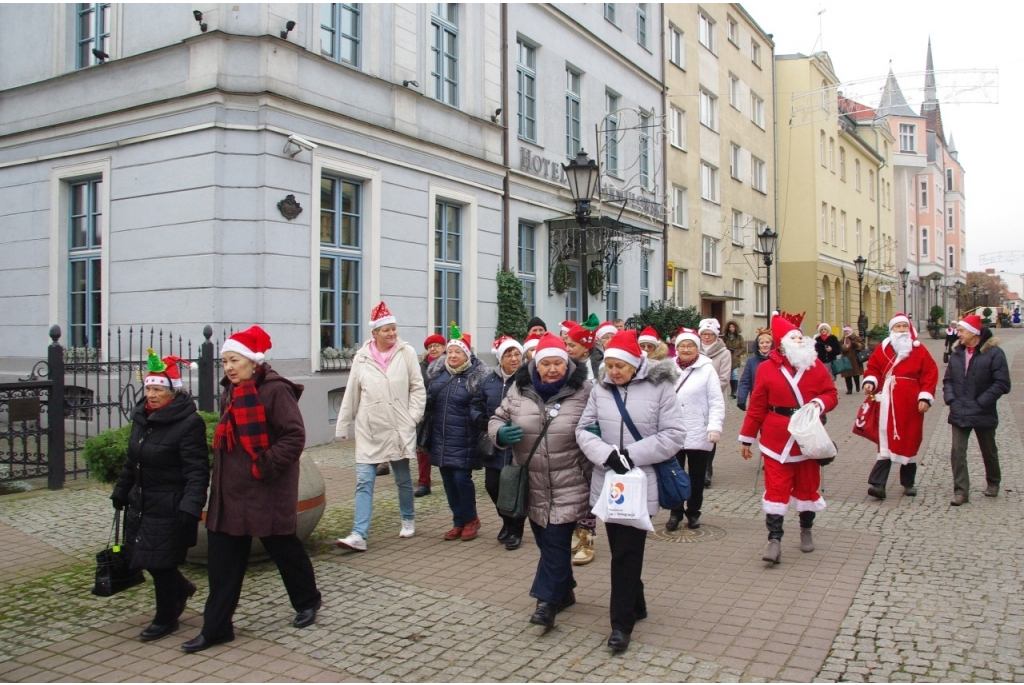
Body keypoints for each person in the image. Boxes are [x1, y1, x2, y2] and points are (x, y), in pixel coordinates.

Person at [183, 326, 321, 653]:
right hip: (231, 493)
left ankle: (307, 600)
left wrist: (264, 465)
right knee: (223, 563)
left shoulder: (275, 391)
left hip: (266, 489)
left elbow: (293, 437)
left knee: (284, 549)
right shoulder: (230, 391)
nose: (229, 367)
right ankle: (217, 628)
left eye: (235, 360)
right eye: (225, 361)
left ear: (252, 361)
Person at [575, 330, 686, 653]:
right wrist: (607, 455)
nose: (613, 372)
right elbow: (583, 429)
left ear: (636, 363)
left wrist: (632, 455)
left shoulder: (660, 387)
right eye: (608, 365)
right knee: (622, 549)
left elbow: (674, 434)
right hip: (609, 480)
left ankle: (620, 625)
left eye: (619, 366)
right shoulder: (600, 390)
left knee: (626, 552)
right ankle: (636, 604)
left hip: (642, 481)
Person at [489, 334, 592, 629]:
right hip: (530, 483)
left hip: (570, 480)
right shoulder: (519, 390)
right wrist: (499, 434)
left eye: (558, 363)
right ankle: (567, 589)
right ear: (535, 365)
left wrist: (596, 430)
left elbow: (601, 420)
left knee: (557, 542)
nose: (551, 369)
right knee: (547, 543)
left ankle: (546, 602)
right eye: (545, 363)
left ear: (568, 364)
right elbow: (496, 418)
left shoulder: (584, 391)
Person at [111, 351, 208, 642]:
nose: (151, 395)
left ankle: (166, 617)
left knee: (160, 561)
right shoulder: (143, 418)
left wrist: (192, 505)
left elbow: (197, 470)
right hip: (142, 501)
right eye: (149, 388)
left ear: (173, 392)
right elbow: (133, 460)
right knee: (145, 557)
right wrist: (121, 491)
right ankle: (180, 590)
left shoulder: (189, 423)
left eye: (158, 390)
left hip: (170, 502)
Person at [739, 312, 838, 565]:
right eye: (793, 337)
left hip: (807, 435)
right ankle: (774, 540)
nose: (799, 340)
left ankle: (806, 529)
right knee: (776, 489)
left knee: (807, 486)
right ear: (782, 343)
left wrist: (818, 403)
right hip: (776, 437)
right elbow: (757, 405)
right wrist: (747, 437)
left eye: (800, 336)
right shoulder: (766, 369)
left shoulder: (814, 366)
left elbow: (831, 393)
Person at [334, 302, 425, 551]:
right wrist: (343, 425)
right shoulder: (361, 358)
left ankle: (408, 518)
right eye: (386, 330)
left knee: (403, 479)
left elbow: (417, 387)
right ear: (374, 333)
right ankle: (359, 534)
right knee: (364, 480)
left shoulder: (406, 352)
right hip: (370, 428)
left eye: (394, 329)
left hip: (398, 426)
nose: (392, 334)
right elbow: (352, 392)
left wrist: (413, 417)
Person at [861, 314, 939, 500]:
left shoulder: (919, 350)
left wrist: (925, 397)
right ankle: (878, 484)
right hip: (887, 402)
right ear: (892, 330)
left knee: (909, 438)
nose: (902, 330)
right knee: (885, 440)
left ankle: (908, 482)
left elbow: (930, 373)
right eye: (898, 327)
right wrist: (870, 381)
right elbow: (873, 368)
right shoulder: (883, 348)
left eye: (905, 326)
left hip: (910, 403)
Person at [425, 324, 489, 540]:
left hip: (465, 437)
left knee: (462, 479)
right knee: (447, 480)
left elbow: (481, 406)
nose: (452, 355)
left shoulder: (476, 378)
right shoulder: (438, 376)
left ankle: (471, 519)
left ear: (467, 354)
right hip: (441, 437)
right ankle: (457, 521)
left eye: (458, 352)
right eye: (450, 351)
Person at [944, 314, 1011, 506]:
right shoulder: (957, 353)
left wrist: (982, 402)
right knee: (957, 451)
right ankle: (961, 491)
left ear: (974, 333)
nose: (958, 334)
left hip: (983, 410)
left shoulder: (994, 353)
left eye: (962, 330)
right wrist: (951, 399)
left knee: (988, 449)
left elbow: (1002, 383)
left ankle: (993, 482)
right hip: (959, 409)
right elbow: (948, 379)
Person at [666, 328, 724, 531]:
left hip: (699, 430)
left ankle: (693, 513)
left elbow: (716, 401)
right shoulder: (668, 368)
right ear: (677, 348)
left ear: (697, 348)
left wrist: (714, 426)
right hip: (673, 430)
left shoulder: (707, 369)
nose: (686, 349)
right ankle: (675, 512)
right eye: (682, 345)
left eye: (690, 345)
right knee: (674, 474)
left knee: (697, 476)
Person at [480, 335, 527, 550]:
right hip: (495, 442)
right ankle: (506, 521)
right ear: (500, 358)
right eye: (509, 354)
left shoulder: (528, 379)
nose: (514, 358)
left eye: (517, 353)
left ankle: (516, 529)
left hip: (519, 442)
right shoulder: (489, 380)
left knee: (514, 488)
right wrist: (482, 420)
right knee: (492, 485)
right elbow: (477, 404)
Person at [699, 318, 730, 487]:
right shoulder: (695, 350)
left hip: (714, 398)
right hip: (696, 400)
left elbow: (724, 378)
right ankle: (697, 466)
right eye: (704, 334)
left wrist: (708, 389)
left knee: (711, 433)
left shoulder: (724, 353)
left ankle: (707, 468)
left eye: (710, 334)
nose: (707, 337)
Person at [415, 334, 446, 497]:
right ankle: (423, 483)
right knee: (422, 448)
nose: (433, 349)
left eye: (437, 345)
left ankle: (448, 480)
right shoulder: (420, 367)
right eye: (430, 346)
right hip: (425, 412)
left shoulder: (449, 364)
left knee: (443, 449)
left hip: (444, 411)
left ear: (444, 348)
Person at [736, 329, 772, 411]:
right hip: (757, 400)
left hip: (774, 402)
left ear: (772, 344)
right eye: (762, 343)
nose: (764, 345)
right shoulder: (751, 361)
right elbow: (745, 381)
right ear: (758, 345)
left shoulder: (777, 360)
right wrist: (741, 399)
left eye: (767, 342)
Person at [839, 325, 866, 394]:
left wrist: (855, 344)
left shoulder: (856, 338)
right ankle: (849, 389)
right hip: (846, 359)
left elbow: (862, 345)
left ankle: (857, 386)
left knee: (856, 374)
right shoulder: (843, 339)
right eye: (845, 331)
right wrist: (844, 347)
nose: (846, 333)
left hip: (855, 359)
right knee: (847, 376)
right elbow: (839, 348)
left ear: (851, 331)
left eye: (847, 331)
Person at [723, 320, 745, 399]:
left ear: (735, 328)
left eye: (733, 327)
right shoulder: (725, 338)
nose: (731, 328)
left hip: (736, 358)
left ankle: (734, 392)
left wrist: (738, 353)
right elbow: (722, 346)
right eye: (730, 327)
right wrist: (727, 350)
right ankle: (732, 390)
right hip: (728, 358)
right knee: (730, 375)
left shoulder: (739, 337)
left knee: (735, 374)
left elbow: (743, 347)